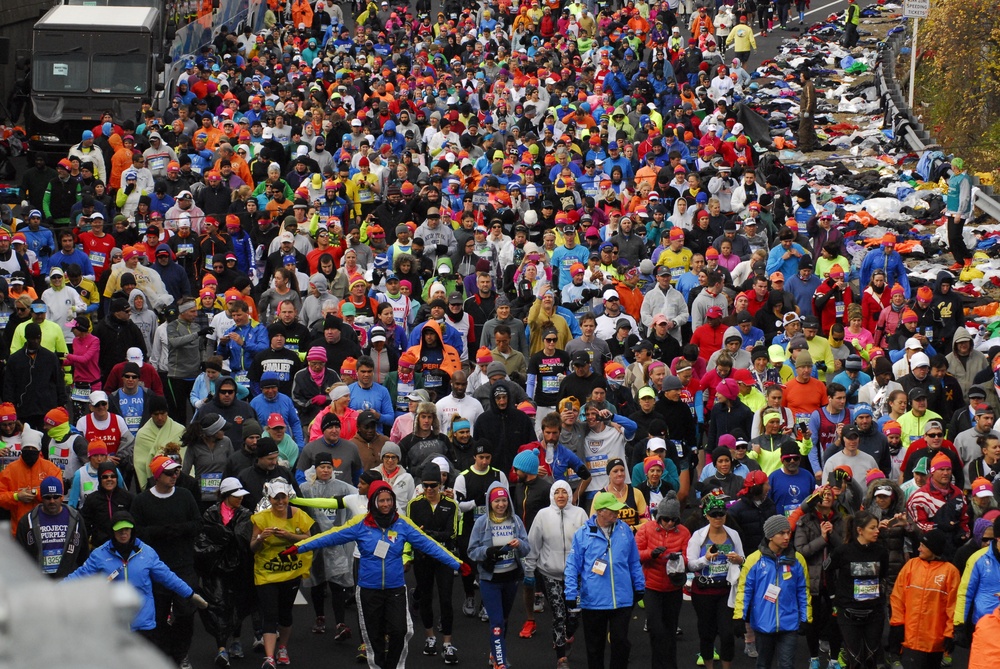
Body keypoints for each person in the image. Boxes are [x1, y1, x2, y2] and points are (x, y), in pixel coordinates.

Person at [284, 479, 462, 669]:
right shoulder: (360, 524)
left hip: (395, 589)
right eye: (381, 501)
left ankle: (392, 666)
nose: (386, 505)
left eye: (389, 500)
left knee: (400, 631)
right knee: (373, 636)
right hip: (369, 589)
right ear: (373, 502)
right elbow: (329, 537)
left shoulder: (402, 524)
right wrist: (298, 547)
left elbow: (430, 545)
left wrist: (457, 564)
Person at [66, 510, 209, 633]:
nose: (123, 533)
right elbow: (79, 575)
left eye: (127, 529)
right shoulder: (100, 554)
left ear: (132, 530)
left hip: (144, 626)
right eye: (119, 529)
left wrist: (190, 594)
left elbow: (168, 577)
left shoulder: (146, 553)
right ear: (112, 531)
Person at [130, 454, 203, 668]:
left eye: (176, 471)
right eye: (170, 472)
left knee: (186, 613)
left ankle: (181, 654)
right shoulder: (142, 501)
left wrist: (178, 529)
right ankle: (162, 655)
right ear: (157, 476)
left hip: (183, 565)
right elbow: (136, 532)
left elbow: (198, 524)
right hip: (154, 568)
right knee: (157, 615)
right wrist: (160, 533)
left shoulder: (185, 495)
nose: (175, 475)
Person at [564, 490, 646, 669]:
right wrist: (570, 592)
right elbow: (572, 566)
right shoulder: (582, 534)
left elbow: (633, 560)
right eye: (612, 510)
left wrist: (639, 585)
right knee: (594, 648)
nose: (617, 513)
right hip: (594, 602)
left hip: (622, 600)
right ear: (600, 511)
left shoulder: (625, 530)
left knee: (621, 644)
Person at [250, 479, 317, 669]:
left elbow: (309, 539)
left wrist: (288, 536)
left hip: (290, 573)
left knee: (285, 613)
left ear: (288, 497)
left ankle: (283, 648)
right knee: (270, 614)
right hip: (266, 573)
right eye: (276, 498)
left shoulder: (298, 515)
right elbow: (253, 547)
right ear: (269, 499)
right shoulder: (261, 518)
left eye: (283, 498)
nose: (280, 502)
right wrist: (262, 537)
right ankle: (269, 657)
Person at [526, 480, 590, 669]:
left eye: (564, 492)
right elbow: (533, 543)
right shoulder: (542, 515)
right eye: (557, 492)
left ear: (570, 495)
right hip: (550, 573)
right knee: (559, 614)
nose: (561, 496)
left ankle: (568, 636)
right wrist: (529, 570)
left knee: (574, 615)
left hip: (575, 575)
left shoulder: (580, 514)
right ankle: (561, 657)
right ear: (552, 495)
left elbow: (588, 543)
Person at [298, 452, 361, 642]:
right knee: (317, 582)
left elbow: (358, 499)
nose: (325, 470)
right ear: (315, 469)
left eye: (328, 467)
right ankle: (320, 617)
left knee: (337, 584)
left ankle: (340, 623)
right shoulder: (305, 489)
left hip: (336, 543)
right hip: (315, 542)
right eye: (322, 467)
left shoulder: (342, 488)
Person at [468, 482, 532, 669]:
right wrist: (488, 552)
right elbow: (471, 551)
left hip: (511, 579)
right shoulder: (482, 523)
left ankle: (494, 653)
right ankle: (500, 662)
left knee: (503, 620)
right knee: (496, 622)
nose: (501, 504)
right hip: (490, 580)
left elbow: (527, 548)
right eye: (497, 501)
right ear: (490, 503)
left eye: (504, 500)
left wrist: (519, 543)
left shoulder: (516, 521)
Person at [734, 514, 811, 669]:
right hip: (763, 623)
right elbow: (744, 591)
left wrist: (806, 618)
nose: (786, 537)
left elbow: (803, 592)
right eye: (781, 533)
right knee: (763, 665)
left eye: (788, 532)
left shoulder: (798, 560)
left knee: (787, 665)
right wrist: (739, 617)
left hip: (790, 623)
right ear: (770, 535)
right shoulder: (753, 560)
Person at [195, 477, 254, 669]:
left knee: (238, 604)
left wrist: (221, 535)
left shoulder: (245, 513)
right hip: (215, 568)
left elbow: (241, 537)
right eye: (236, 496)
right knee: (218, 605)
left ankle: (236, 640)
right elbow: (205, 539)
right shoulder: (211, 513)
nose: (240, 499)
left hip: (239, 567)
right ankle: (221, 647)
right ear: (226, 496)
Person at [408, 461, 462, 664]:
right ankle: (430, 638)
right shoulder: (415, 505)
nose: (429, 490)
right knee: (426, 598)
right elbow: (413, 534)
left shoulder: (451, 505)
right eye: (426, 486)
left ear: (441, 485)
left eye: (434, 486)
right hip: (423, 559)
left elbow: (452, 534)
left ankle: (447, 643)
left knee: (446, 600)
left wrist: (429, 534)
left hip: (444, 558)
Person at [686, 494, 746, 668]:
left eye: (721, 514)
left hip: (726, 591)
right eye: (713, 514)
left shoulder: (733, 534)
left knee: (727, 633)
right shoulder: (698, 536)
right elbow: (690, 564)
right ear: (706, 515)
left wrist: (738, 560)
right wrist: (705, 559)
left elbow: (743, 557)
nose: (718, 518)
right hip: (703, 591)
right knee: (707, 633)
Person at [826, 510, 890, 669]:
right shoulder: (843, 551)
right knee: (854, 660)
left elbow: (882, 575)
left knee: (871, 659)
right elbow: (827, 570)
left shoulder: (881, 552)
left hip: (874, 613)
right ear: (859, 530)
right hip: (848, 613)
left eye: (877, 528)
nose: (877, 531)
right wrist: (833, 596)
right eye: (872, 528)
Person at [888, 529, 959, 669]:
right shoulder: (911, 565)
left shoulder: (950, 572)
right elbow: (897, 597)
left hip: (935, 642)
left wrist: (950, 633)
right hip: (910, 639)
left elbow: (954, 606)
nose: (919, 548)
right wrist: (897, 624)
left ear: (933, 549)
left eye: (923, 546)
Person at [635, 491, 689, 669]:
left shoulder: (684, 532)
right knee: (656, 630)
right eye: (666, 519)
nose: (670, 523)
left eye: (674, 520)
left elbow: (688, 557)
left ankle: (670, 665)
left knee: (670, 631)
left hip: (673, 588)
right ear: (659, 517)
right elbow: (635, 554)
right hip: (652, 587)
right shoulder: (646, 529)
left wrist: (679, 560)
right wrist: (651, 554)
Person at [15, 475, 89, 578]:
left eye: (56, 497)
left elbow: (83, 552)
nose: (52, 501)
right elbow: (19, 556)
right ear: (41, 497)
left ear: (62, 496)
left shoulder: (75, 518)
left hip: (68, 580)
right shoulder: (27, 521)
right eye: (48, 497)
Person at [0, 427, 62, 536]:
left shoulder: (50, 469)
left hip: (47, 529)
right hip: (19, 530)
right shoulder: (9, 470)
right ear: (21, 449)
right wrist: (16, 496)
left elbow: (59, 494)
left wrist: (36, 493)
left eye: (33, 449)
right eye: (26, 448)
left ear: (39, 450)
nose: (30, 451)